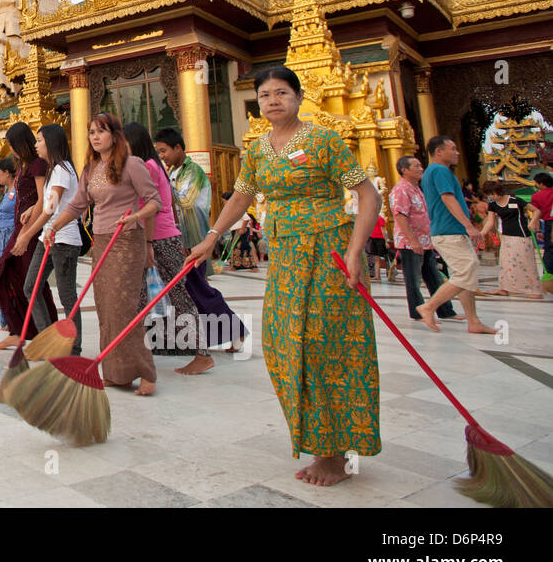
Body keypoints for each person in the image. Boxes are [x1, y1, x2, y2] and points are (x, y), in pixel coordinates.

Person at [187, 67, 381, 487]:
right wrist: (211, 238)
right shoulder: (257, 149)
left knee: (324, 346)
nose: (272, 100)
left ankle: (333, 453)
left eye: (281, 92)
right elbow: (241, 196)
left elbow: (369, 194)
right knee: (283, 345)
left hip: (328, 252)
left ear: (298, 96)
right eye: (264, 94)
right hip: (287, 259)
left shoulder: (323, 140)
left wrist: (354, 251)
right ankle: (315, 437)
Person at [49, 114, 159, 394]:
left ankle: (146, 372)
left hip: (126, 241)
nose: (95, 137)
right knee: (105, 308)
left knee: (123, 307)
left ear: (115, 135)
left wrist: (134, 217)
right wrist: (52, 227)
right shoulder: (90, 169)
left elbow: (154, 201)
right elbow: (75, 206)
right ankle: (116, 372)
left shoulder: (132, 164)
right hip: (101, 241)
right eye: (91, 132)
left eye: (101, 131)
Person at [126, 122, 214, 373]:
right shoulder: (154, 166)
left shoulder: (149, 167)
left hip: (161, 238)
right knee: (145, 297)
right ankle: (142, 350)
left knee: (178, 295)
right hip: (162, 236)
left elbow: (151, 209)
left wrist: (149, 244)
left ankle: (202, 353)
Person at [153, 127, 243, 351]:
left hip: (193, 240)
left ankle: (236, 331)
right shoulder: (173, 172)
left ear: (178, 148)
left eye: (164, 151)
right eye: (158, 152)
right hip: (177, 239)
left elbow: (185, 201)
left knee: (198, 289)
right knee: (189, 292)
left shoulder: (193, 171)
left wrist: (159, 187)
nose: (162, 156)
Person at [416, 136, 498, 334]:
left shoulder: (433, 172)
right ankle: (428, 306)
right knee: (467, 270)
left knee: (463, 275)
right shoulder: (440, 170)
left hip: (447, 230)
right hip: (449, 229)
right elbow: (448, 198)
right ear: (439, 152)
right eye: (452, 148)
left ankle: (473, 321)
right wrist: (468, 226)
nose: (457, 152)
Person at [22, 124, 84, 353]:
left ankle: (74, 348)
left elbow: (51, 207)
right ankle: (48, 338)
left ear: (50, 142)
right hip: (47, 237)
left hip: (64, 240)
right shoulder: (53, 169)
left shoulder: (62, 170)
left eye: (39, 140)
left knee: (67, 296)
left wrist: (27, 235)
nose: (36, 145)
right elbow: (46, 204)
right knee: (30, 286)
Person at [0, 122, 51, 347]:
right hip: (20, 228)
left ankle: (46, 331)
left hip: (31, 231)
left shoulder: (37, 165)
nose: (11, 149)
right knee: (7, 275)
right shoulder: (23, 167)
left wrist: (25, 234)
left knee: (33, 283)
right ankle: (18, 330)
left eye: (13, 144)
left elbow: (42, 200)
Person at [389, 155, 458, 322]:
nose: (421, 168)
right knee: (413, 279)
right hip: (410, 243)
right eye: (416, 166)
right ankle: (417, 311)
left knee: (433, 276)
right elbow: (400, 216)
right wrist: (413, 240)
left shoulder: (417, 189)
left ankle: (445, 310)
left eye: (420, 165)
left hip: (425, 241)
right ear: (404, 170)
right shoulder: (401, 190)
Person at [479, 180, 542, 298]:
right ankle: (504, 288)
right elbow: (491, 221)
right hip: (506, 236)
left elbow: (537, 211)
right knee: (506, 263)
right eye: (489, 194)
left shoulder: (515, 201)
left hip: (521, 235)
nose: (491, 196)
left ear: (499, 191)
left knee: (526, 262)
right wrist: (482, 233)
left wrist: (533, 222)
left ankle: (535, 291)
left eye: (492, 193)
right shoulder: (492, 204)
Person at [528, 171, 553, 281]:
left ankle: (548, 275)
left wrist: (538, 231)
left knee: (549, 249)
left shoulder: (536, 196)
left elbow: (536, 214)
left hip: (549, 224)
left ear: (541, 183)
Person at [0, 157, 17, 254]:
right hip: (2, 234)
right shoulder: (7, 191)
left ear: (7, 173)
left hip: (11, 234)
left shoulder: (17, 189)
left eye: (0, 172)